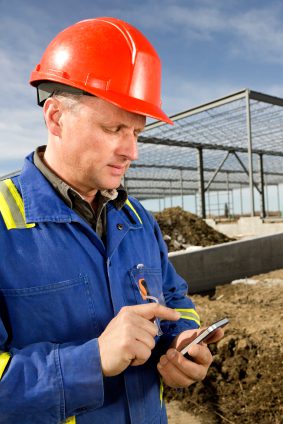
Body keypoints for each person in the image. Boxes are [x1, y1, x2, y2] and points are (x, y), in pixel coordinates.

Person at [0, 17, 224, 423]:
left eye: (136, 132)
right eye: (114, 128)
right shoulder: (3, 225)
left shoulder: (137, 219)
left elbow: (175, 300)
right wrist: (92, 361)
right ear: (55, 117)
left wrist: (182, 342)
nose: (131, 151)